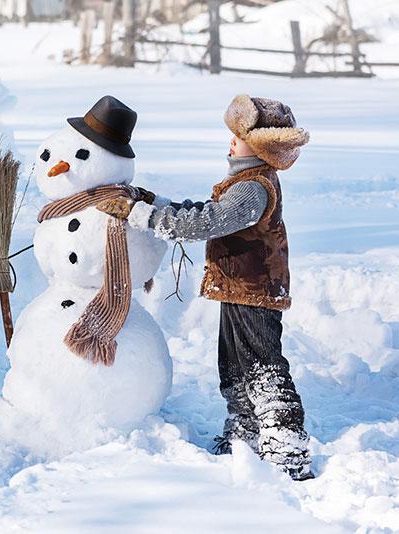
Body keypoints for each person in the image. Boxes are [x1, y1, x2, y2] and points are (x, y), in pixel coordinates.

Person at [127, 95, 314, 480]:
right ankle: (244, 432)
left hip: (255, 289)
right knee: (233, 364)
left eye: (238, 135)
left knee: (261, 364)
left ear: (261, 146)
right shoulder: (242, 182)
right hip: (239, 288)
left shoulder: (254, 188)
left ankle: (286, 444)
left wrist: (147, 217)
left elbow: (210, 221)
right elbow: (205, 210)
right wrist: (156, 202)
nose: (230, 140)